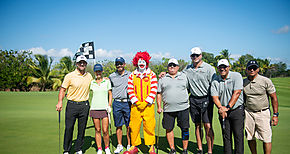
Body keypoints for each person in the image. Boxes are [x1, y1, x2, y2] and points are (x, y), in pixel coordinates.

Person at [56, 55, 93, 154]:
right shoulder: (69, 76)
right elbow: (63, 90)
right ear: (76, 64)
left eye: (84, 62)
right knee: (69, 128)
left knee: (82, 129)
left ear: (86, 64)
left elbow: (95, 84)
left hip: (84, 106)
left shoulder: (89, 76)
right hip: (72, 105)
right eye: (80, 62)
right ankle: (66, 150)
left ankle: (78, 149)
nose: (82, 64)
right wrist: (60, 102)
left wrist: (104, 78)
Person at [183, 47, 215, 154]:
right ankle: (200, 149)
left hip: (206, 98)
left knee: (207, 125)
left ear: (201, 55)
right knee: (197, 125)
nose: (195, 57)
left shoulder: (209, 68)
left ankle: (210, 150)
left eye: (197, 55)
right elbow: (178, 76)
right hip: (193, 99)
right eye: (193, 55)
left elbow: (214, 85)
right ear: (191, 57)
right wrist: (165, 74)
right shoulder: (187, 69)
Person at [124, 51, 158, 154]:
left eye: (143, 61)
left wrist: (147, 101)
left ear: (147, 62)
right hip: (136, 107)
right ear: (136, 62)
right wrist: (136, 102)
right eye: (139, 61)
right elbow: (130, 89)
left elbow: (154, 89)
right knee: (134, 127)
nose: (141, 63)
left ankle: (151, 147)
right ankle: (134, 146)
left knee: (149, 126)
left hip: (148, 106)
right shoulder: (132, 75)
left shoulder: (152, 74)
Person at [243, 60, 279, 154]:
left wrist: (275, 114)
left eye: (254, 68)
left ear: (258, 69)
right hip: (248, 112)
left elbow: (273, 98)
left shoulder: (265, 81)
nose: (252, 70)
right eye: (249, 68)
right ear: (246, 70)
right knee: (250, 137)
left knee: (266, 137)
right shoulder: (244, 82)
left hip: (262, 112)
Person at [211, 59, 244, 154]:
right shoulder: (215, 80)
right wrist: (221, 108)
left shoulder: (236, 76)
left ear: (228, 67)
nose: (222, 69)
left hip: (236, 110)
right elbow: (214, 97)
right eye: (220, 67)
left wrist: (227, 107)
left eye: (224, 67)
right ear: (217, 68)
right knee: (226, 136)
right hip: (223, 112)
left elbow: (237, 93)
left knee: (238, 135)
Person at [157, 58, 190, 154]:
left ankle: (184, 150)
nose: (172, 67)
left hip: (183, 108)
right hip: (168, 109)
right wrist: (159, 106)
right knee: (169, 128)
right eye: (170, 65)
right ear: (167, 67)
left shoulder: (184, 76)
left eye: (174, 65)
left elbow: (188, 89)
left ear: (178, 67)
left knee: (185, 129)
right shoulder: (162, 78)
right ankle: (172, 149)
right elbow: (159, 93)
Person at [109, 57, 131, 153]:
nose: (119, 65)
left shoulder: (130, 75)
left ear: (124, 64)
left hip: (128, 103)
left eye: (120, 63)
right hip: (117, 103)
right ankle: (119, 145)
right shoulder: (111, 76)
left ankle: (129, 145)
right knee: (118, 125)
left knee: (129, 125)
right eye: (117, 64)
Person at [90, 64, 113, 154]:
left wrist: (109, 105)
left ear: (102, 71)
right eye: (96, 71)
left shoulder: (107, 82)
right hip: (94, 108)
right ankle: (99, 148)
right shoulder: (92, 82)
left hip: (104, 109)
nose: (98, 73)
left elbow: (110, 94)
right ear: (95, 72)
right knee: (97, 129)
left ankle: (106, 147)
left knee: (105, 130)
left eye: (99, 71)